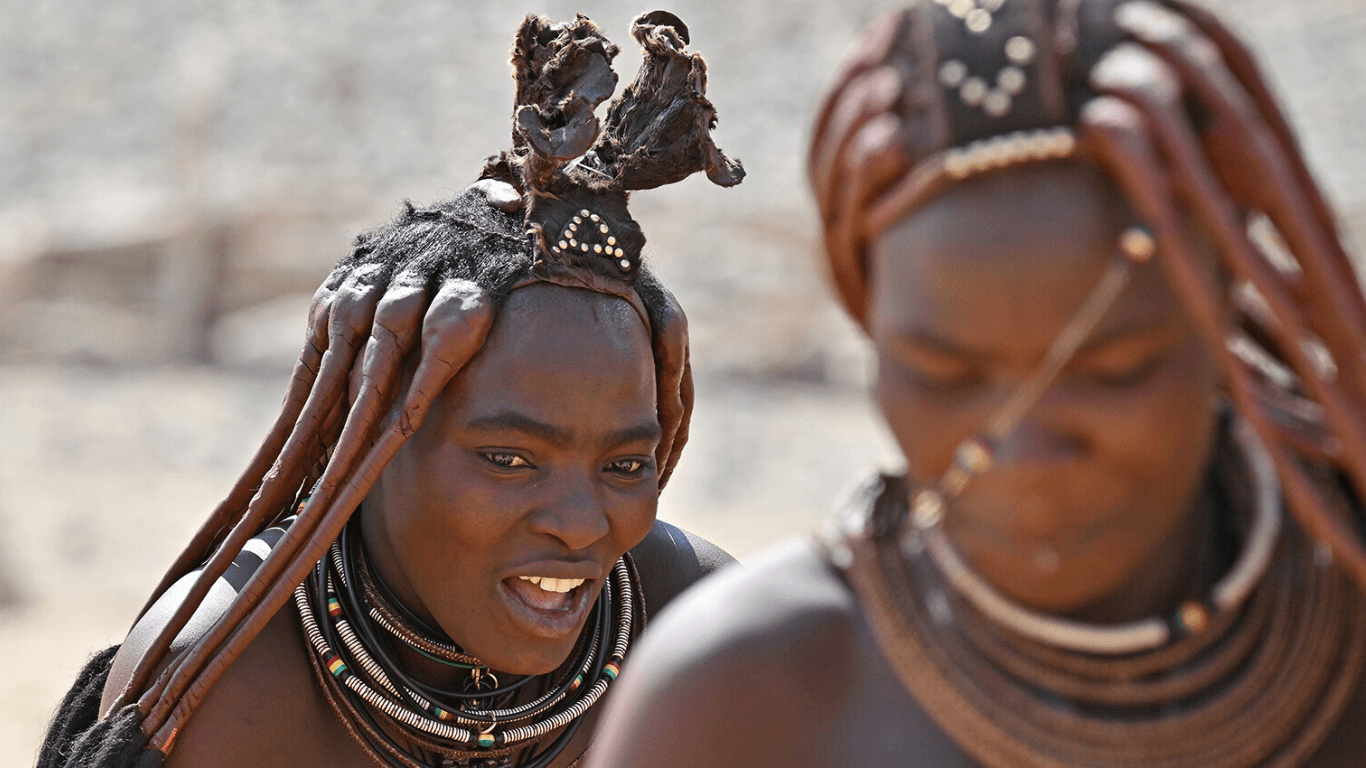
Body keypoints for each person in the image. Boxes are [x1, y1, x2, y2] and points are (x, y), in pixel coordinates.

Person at [584, 1, 1366, 765]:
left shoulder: (1345, 608)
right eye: (944, 374)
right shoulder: (739, 702)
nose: (1019, 450)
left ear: (1218, 311)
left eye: (1113, 371)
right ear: (874, 335)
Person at [38, 10, 743, 768]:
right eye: (508, 460)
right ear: (372, 441)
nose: (579, 526)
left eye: (624, 467)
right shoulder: (229, 685)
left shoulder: (697, 632)